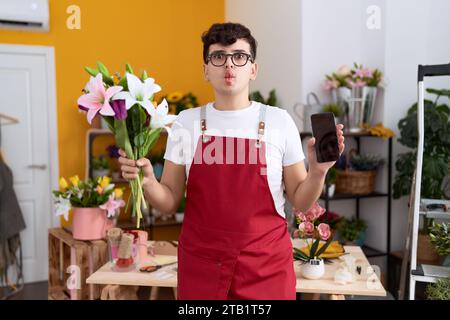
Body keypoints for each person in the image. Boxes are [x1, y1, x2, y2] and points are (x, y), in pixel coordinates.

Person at [118, 22, 345, 300]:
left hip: (265, 267)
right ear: (205, 69)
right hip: (202, 265)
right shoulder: (185, 123)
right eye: (218, 56)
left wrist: (318, 172)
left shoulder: (278, 121)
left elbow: (300, 201)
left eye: (239, 57)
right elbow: (168, 200)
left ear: (253, 69)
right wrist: (149, 181)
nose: (229, 66)